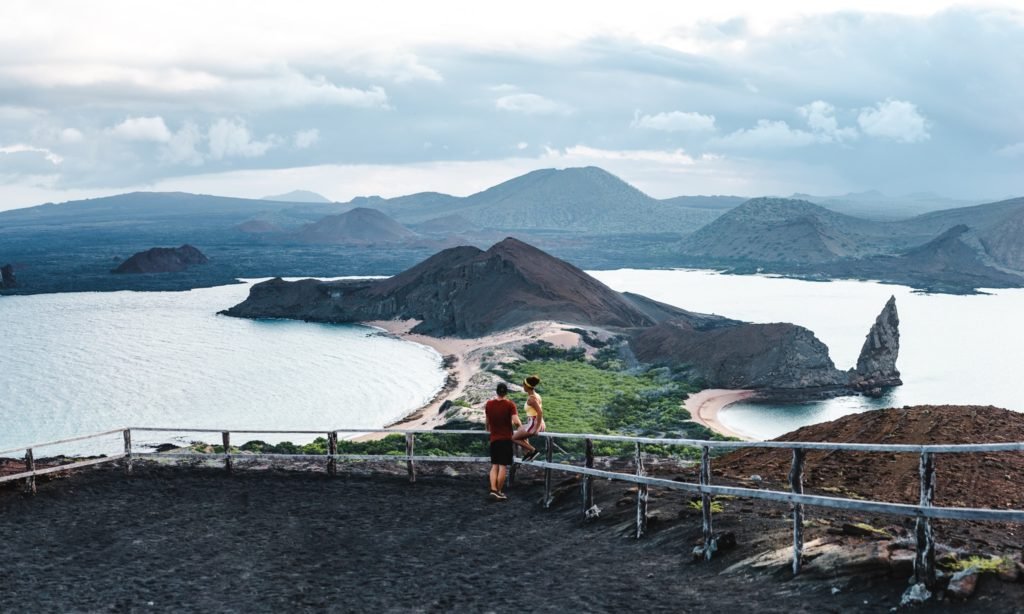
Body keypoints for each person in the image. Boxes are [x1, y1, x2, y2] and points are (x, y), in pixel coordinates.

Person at [484, 382, 519, 501]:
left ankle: (493, 489)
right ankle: (498, 492)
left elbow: (487, 421)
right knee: (503, 466)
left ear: (497, 391)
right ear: (506, 392)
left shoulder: (489, 404)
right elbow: (516, 421)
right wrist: (521, 429)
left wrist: (488, 429)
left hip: (494, 439)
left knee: (494, 466)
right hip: (506, 439)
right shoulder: (510, 404)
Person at [513, 375, 545, 462]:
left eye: (523, 385)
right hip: (535, 422)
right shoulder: (536, 395)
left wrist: (537, 429)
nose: (523, 386)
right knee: (520, 429)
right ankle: (528, 453)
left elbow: (540, 412)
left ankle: (533, 450)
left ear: (527, 386)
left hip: (534, 423)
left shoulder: (532, 399)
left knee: (514, 438)